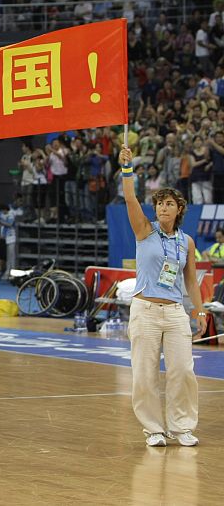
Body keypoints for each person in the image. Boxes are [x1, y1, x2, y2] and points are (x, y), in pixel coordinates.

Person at [119, 145, 204, 447]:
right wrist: (127, 168)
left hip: (175, 313)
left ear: (179, 209)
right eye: (159, 204)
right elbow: (130, 198)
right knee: (145, 373)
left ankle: (182, 427)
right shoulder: (145, 231)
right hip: (145, 310)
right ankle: (154, 428)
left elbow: (191, 281)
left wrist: (200, 311)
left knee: (183, 370)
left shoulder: (187, 242)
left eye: (169, 204)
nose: (163, 208)